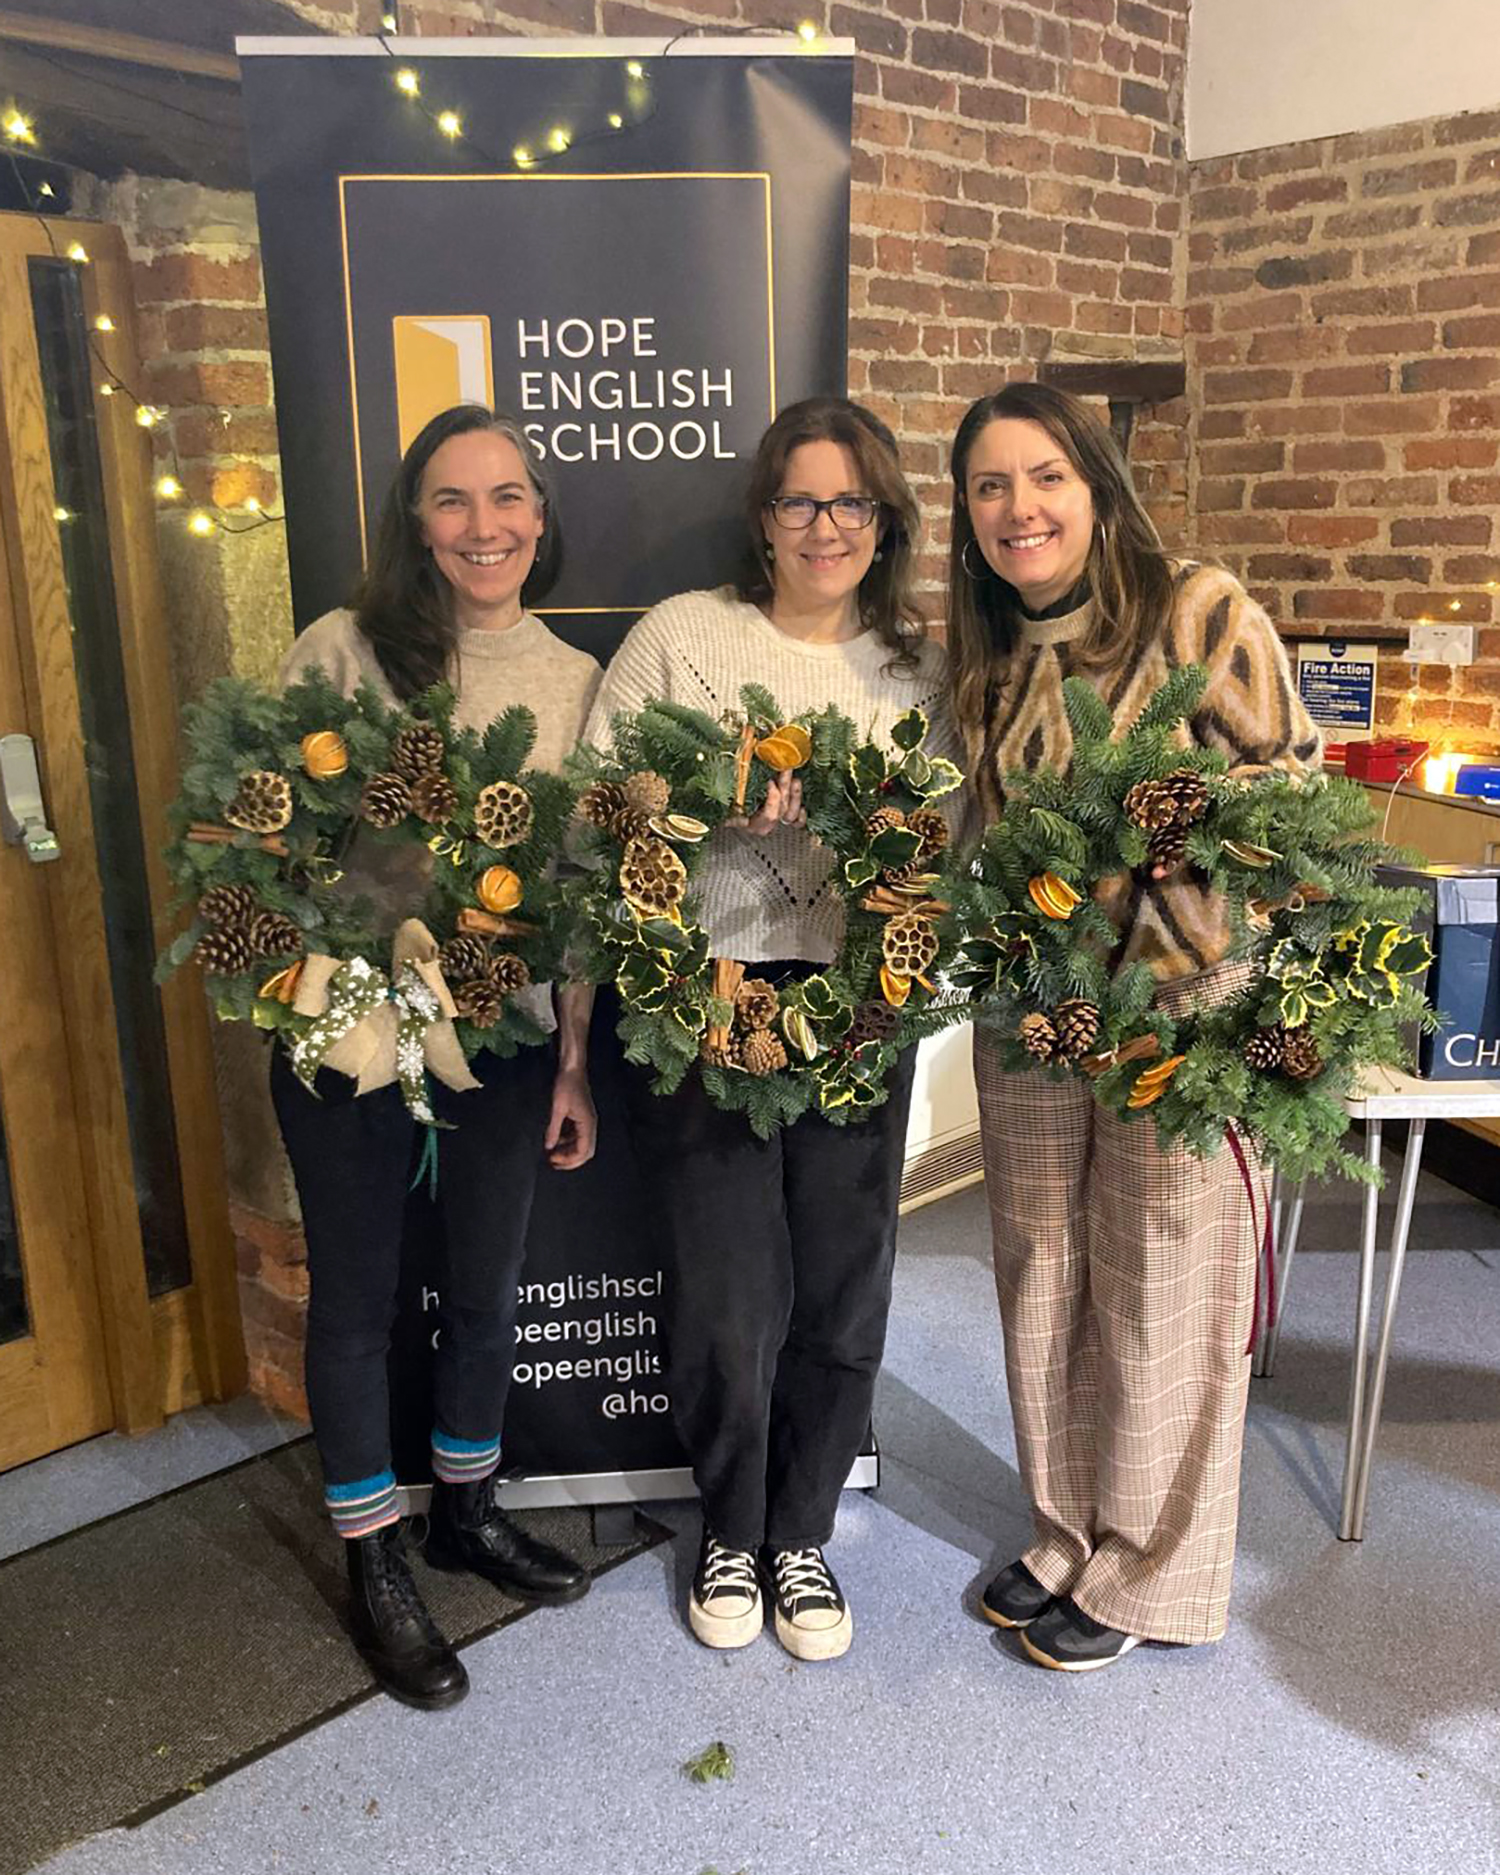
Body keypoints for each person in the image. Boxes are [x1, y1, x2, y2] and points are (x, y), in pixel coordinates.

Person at [946, 381, 1322, 1672]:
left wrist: (1175, 851)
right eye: (990, 486)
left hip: (1181, 1004)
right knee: (1042, 1266)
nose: (1020, 507)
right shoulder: (989, 658)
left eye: (1045, 475)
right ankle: (1068, 1531)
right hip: (1034, 1007)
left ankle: (1155, 1567)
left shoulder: (1200, 610)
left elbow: (1294, 794)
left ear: (1098, 487)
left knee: (1163, 1278)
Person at [583, 396, 958, 1662]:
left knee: (844, 1287)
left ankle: (802, 1532)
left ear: (885, 521)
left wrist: (878, 851)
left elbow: (946, 847)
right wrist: (708, 817)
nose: (826, 525)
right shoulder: (685, 639)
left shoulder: (917, 673)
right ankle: (731, 1529)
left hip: (858, 1011)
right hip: (706, 1004)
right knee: (725, 1296)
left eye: (853, 501)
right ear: (763, 516)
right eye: (802, 499)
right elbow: (597, 813)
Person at [274, 405, 602, 1709]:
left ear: (540, 517)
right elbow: (265, 836)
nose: (485, 525)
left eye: (508, 496)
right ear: (416, 523)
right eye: (453, 499)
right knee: (356, 1304)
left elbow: (581, 891)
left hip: (502, 1039)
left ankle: (466, 1509)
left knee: (485, 1288)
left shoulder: (574, 679)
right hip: (349, 1032)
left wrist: (571, 1060)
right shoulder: (342, 651)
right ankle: (376, 1559)